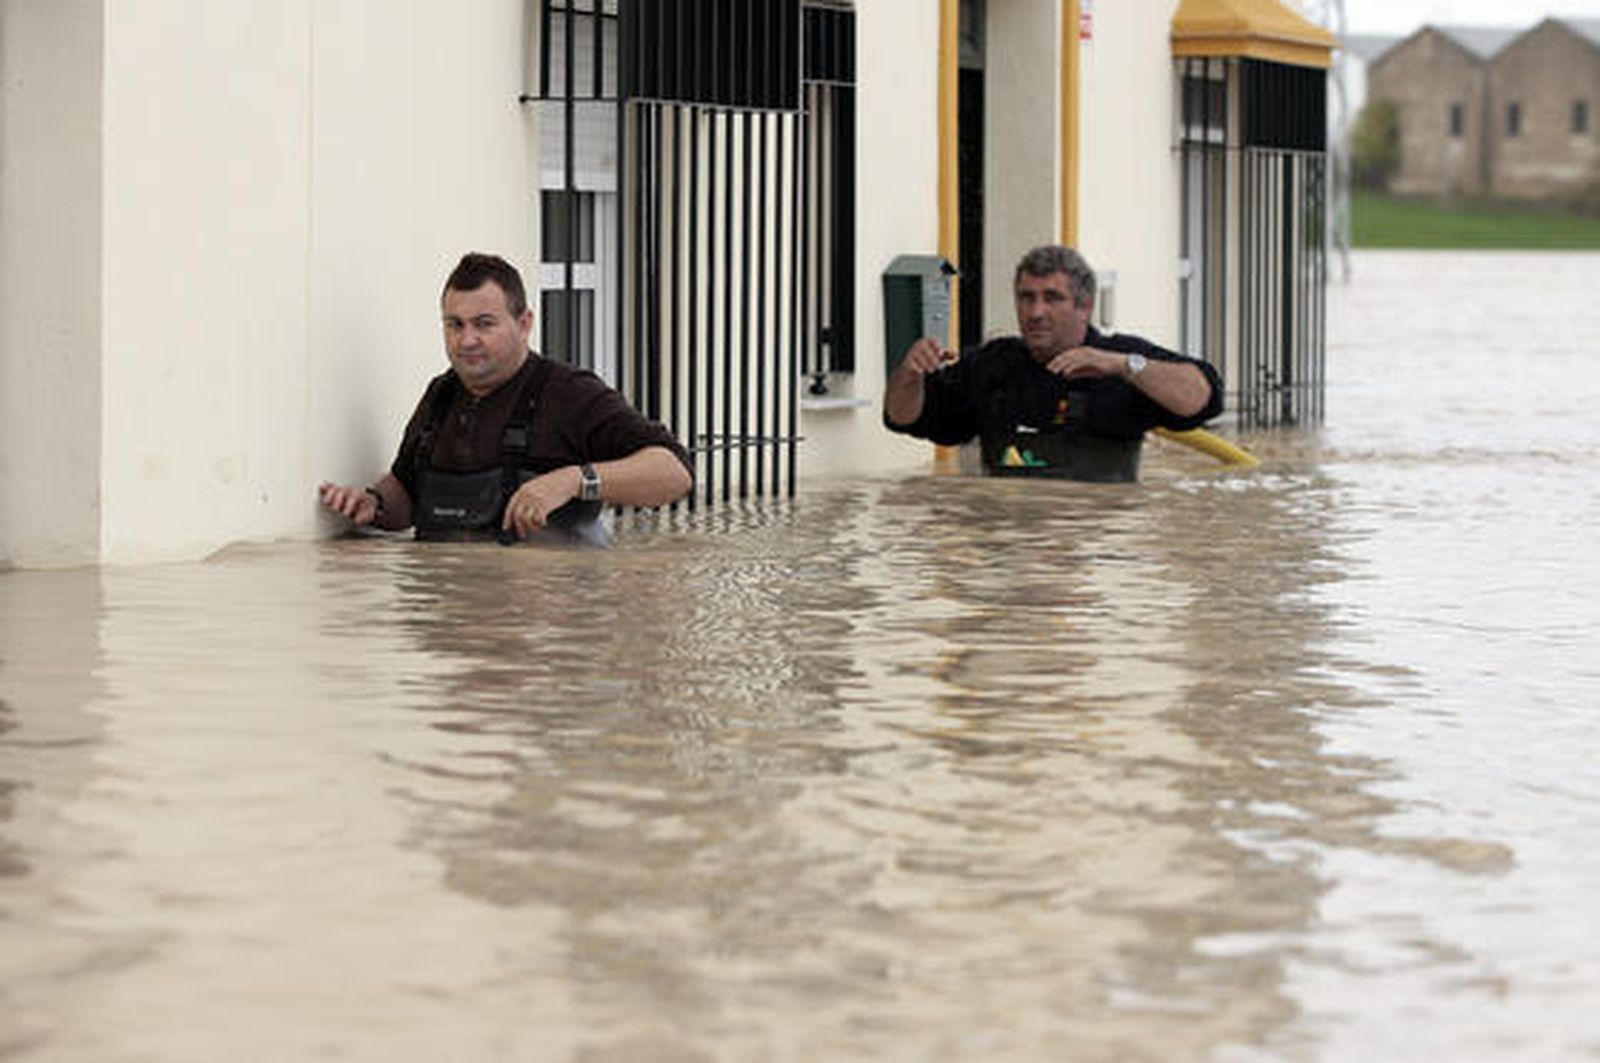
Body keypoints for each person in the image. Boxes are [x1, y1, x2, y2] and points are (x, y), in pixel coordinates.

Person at [319, 252, 693, 543]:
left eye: (484, 324)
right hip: (448, 621)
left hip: (547, 625)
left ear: (524, 323)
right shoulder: (440, 395)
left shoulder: (570, 393)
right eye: (455, 325)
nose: (466, 340)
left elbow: (675, 472)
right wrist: (373, 504)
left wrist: (571, 481)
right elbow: (406, 495)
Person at [883, 245, 1223, 482]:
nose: (1035, 313)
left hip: (1095, 555)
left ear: (1085, 306)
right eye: (1026, 298)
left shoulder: (1121, 361)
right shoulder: (992, 364)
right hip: (1006, 548)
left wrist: (1125, 366)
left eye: (1052, 298)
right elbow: (903, 418)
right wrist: (910, 374)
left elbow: (1203, 398)